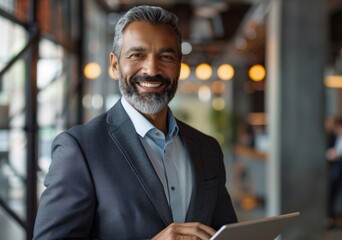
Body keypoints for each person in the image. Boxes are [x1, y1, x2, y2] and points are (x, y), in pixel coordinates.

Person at [33, 5, 237, 240]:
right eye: (137, 55)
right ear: (114, 64)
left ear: (179, 65)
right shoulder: (80, 149)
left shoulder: (207, 148)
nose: (151, 69)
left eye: (166, 56)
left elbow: (224, 231)